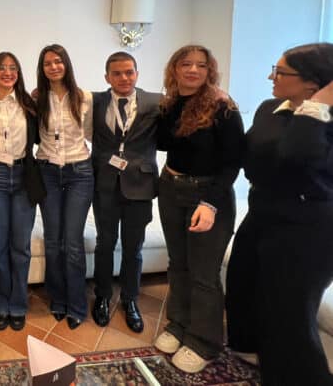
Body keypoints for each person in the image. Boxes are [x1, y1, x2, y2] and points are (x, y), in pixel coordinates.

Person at [226, 43, 333, 385]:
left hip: (308, 229)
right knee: (242, 288)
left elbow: (298, 154)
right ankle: (261, 361)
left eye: (281, 72)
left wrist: (316, 108)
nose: (271, 77)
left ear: (312, 84)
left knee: (288, 316)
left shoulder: (325, 121)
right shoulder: (270, 108)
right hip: (262, 213)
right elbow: (250, 157)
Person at [154, 44, 244, 373]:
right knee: (178, 264)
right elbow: (163, 143)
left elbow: (233, 162)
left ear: (210, 71)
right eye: (186, 64)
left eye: (201, 65)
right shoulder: (171, 103)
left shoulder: (223, 106)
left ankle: (204, 342)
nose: (193, 70)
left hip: (207, 194)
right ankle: (179, 324)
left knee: (204, 273)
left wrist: (210, 204)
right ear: (174, 69)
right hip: (170, 188)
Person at [90, 52, 161, 333]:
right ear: (107, 77)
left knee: (134, 247)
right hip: (105, 184)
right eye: (117, 73)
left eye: (129, 72)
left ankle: (130, 299)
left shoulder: (156, 102)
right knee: (104, 244)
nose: (124, 78)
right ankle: (103, 297)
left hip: (140, 185)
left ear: (137, 74)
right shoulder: (94, 101)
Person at [0, 51, 45, 332]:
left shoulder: (29, 104)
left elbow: (42, 136)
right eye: (1, 68)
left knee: (20, 247)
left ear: (18, 73)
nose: (7, 72)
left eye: (13, 68)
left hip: (22, 176)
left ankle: (18, 305)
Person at [35, 43, 94, 329]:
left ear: (66, 64)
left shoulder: (84, 97)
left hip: (79, 172)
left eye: (58, 61)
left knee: (72, 241)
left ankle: (77, 304)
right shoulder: (36, 98)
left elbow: (92, 133)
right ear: (42, 68)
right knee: (52, 241)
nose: (54, 67)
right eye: (48, 63)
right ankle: (57, 299)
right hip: (47, 171)